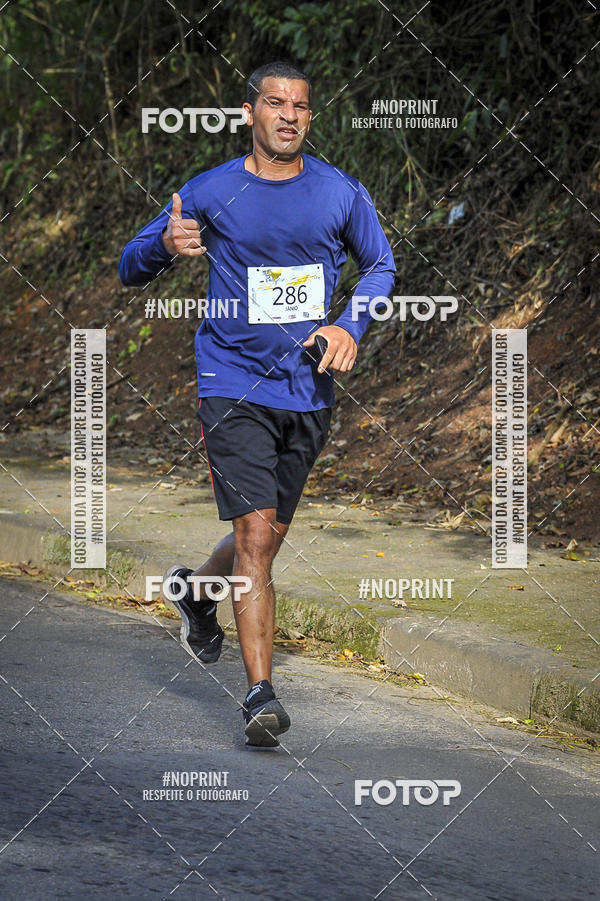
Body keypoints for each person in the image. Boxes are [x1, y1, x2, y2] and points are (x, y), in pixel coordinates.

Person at [119, 60, 396, 747]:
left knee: (264, 541)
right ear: (250, 112)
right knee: (253, 535)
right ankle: (259, 696)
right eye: (275, 103)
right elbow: (129, 263)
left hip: (306, 389)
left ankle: (194, 592)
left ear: (310, 116)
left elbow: (382, 265)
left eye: (300, 106)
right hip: (230, 382)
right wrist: (162, 243)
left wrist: (348, 324)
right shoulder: (211, 190)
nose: (288, 116)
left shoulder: (339, 192)